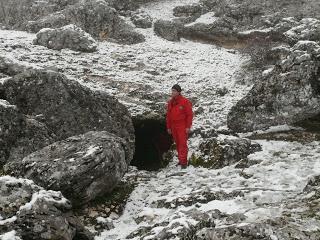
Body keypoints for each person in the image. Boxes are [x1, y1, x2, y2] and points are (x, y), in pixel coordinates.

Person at [166, 84, 193, 169]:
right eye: (172, 90)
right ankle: (181, 160)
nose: (172, 92)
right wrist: (169, 127)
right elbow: (168, 116)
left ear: (178, 92)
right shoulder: (170, 102)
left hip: (182, 125)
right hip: (173, 126)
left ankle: (184, 163)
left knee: (182, 144)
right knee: (177, 143)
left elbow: (190, 115)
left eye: (174, 91)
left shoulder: (185, 101)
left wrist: (188, 126)